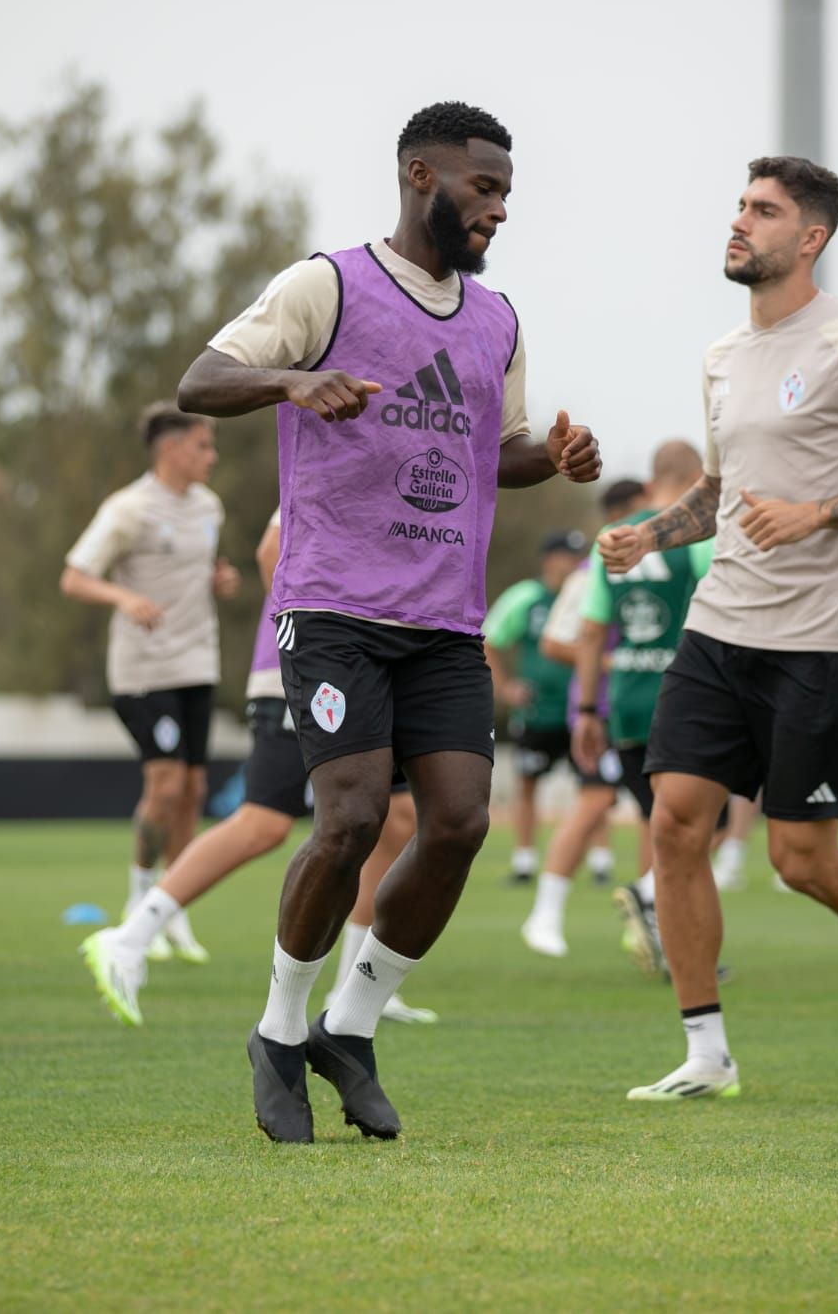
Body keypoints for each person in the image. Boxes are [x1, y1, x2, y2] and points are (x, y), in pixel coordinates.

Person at [177, 100, 600, 1143]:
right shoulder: (326, 284)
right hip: (334, 609)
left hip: (445, 620)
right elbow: (201, 381)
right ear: (421, 176)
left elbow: (494, 451)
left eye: (506, 192)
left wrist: (554, 458)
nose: (498, 209)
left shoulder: (496, 319)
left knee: (458, 824)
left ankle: (350, 1028)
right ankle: (279, 1031)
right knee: (354, 819)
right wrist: (294, 380)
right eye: (483, 187)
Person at [602, 157, 838, 1103]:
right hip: (719, 627)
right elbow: (720, 491)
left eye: (763, 210)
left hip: (826, 639)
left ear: (811, 238)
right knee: (675, 822)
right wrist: (651, 533)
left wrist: (818, 512)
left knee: (800, 859)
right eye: (740, 206)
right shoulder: (721, 355)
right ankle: (707, 1051)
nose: (740, 221)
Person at [81, 511, 436, 1027]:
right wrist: (314, 646)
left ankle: (352, 988)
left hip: (378, 673)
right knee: (264, 822)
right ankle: (130, 937)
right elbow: (271, 550)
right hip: (309, 669)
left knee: (398, 821)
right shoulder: (333, 470)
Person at [61, 405, 238, 964]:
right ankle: (139, 905)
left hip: (197, 663)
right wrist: (124, 597)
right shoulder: (128, 509)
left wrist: (220, 580)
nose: (212, 456)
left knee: (193, 790)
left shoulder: (209, 507)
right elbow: (74, 578)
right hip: (144, 671)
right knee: (164, 786)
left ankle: (172, 908)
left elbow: (195, 571)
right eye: (203, 445)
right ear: (170, 449)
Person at [568, 443, 715, 968]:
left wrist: (588, 711)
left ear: (652, 481)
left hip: (628, 701)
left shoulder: (612, 537)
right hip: (686, 698)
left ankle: (665, 936)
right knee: (701, 825)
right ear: (699, 480)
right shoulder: (699, 536)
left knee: (661, 822)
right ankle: (652, 898)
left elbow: (591, 632)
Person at [519, 479, 650, 959]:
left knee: (662, 812)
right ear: (619, 515)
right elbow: (555, 642)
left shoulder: (664, 560)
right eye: (643, 510)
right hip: (603, 710)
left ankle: (653, 912)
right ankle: (545, 912)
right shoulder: (590, 570)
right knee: (595, 800)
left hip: (653, 707)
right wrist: (615, 664)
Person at [484, 531, 587, 884]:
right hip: (538, 711)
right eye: (567, 556)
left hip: (581, 710)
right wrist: (505, 688)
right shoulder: (526, 596)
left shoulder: (587, 594)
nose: (573, 564)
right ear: (550, 558)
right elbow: (490, 639)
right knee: (528, 783)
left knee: (593, 787)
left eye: (578, 557)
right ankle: (525, 860)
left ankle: (599, 862)